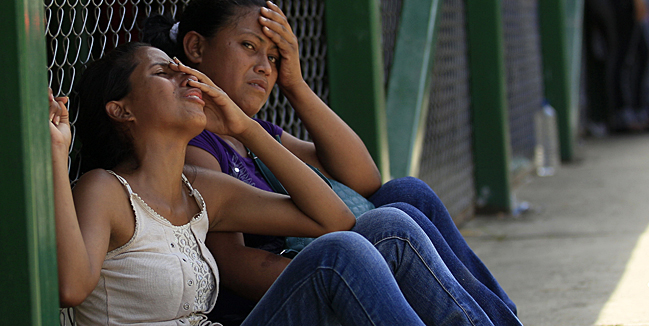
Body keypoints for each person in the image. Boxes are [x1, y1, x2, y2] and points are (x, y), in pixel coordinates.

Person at [50, 41, 509, 325]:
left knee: (364, 235)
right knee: (341, 254)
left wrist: (244, 127)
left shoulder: (199, 189)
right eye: (163, 72)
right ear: (121, 109)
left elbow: (337, 219)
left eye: (179, 68)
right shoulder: (104, 190)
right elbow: (71, 288)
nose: (185, 76)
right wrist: (55, 157)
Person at [142, 0, 521, 325]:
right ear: (195, 47)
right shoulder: (197, 146)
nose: (265, 67)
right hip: (276, 300)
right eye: (248, 46)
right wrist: (358, 272)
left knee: (407, 192)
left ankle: (503, 317)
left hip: (324, 254)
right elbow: (232, 264)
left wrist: (297, 86)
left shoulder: (252, 134)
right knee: (387, 228)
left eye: (274, 58)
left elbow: (365, 178)